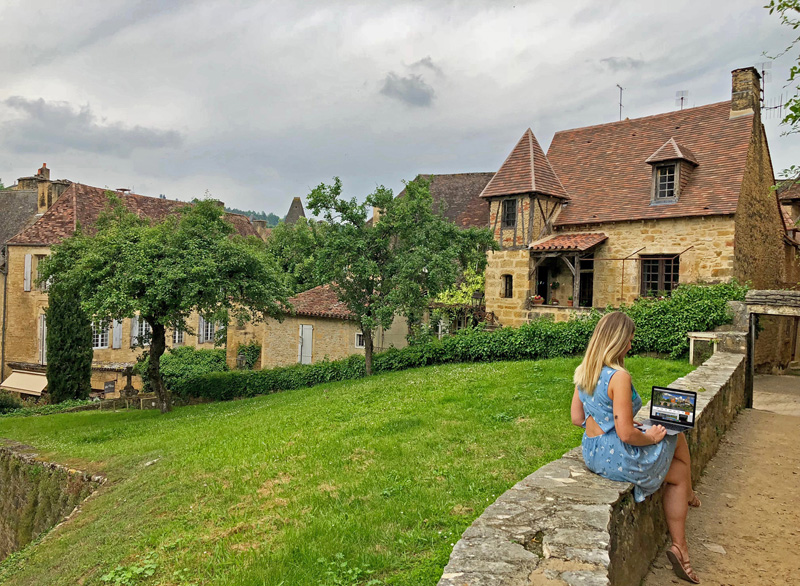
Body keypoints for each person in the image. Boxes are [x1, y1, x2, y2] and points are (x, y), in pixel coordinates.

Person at [570, 312, 700, 584]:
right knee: (674, 439)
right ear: (618, 341)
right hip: (617, 457)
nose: (631, 345)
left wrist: (614, 421)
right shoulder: (619, 376)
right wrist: (650, 436)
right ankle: (681, 541)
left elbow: (576, 418)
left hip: (592, 451)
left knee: (673, 458)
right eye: (629, 339)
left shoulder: (585, 369)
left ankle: (687, 494)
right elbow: (626, 435)